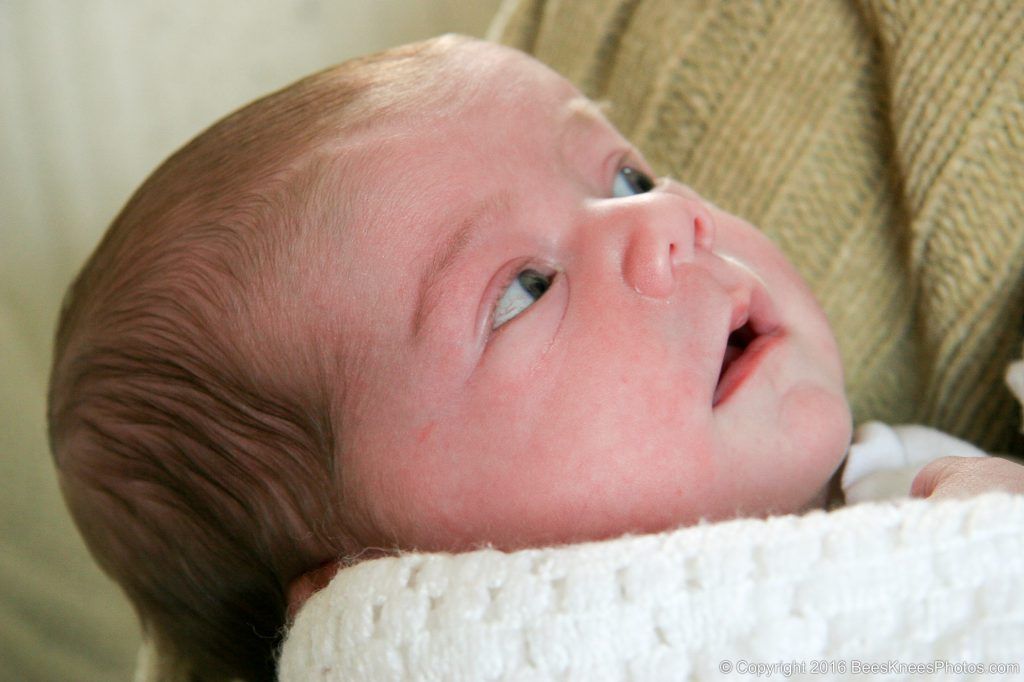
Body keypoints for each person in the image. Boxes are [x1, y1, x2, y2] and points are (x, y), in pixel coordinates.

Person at [46, 35, 1024, 681]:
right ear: (381, 588)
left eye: (626, 174)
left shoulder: (911, 489)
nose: (665, 216)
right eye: (524, 287)